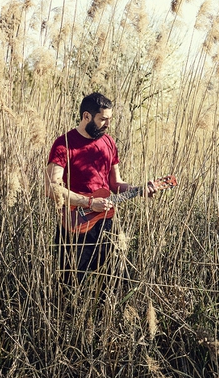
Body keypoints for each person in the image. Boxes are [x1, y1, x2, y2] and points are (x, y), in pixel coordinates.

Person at [45, 92, 154, 284]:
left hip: (106, 223)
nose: (108, 124)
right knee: (70, 284)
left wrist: (139, 189)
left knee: (111, 282)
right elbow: (51, 187)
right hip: (75, 223)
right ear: (86, 116)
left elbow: (115, 184)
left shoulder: (109, 142)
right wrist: (89, 202)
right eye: (103, 119)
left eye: (110, 119)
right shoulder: (64, 144)